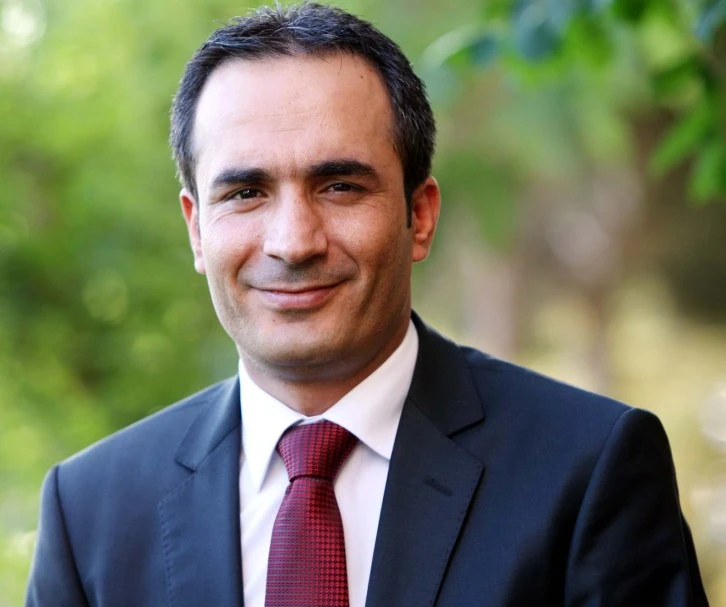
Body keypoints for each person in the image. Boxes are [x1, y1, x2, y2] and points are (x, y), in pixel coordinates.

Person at [26, 3, 709, 606]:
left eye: (340, 186)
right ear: (196, 229)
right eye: (245, 193)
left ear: (420, 215)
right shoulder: (90, 513)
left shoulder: (587, 472)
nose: (293, 242)